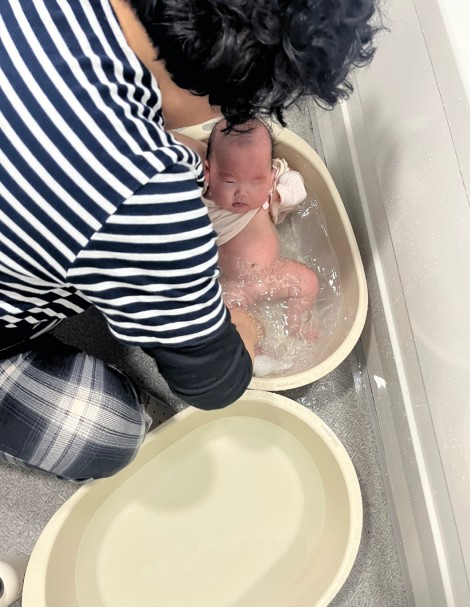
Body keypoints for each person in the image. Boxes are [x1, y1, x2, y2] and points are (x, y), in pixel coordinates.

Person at [0, 0, 378, 481]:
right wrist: (243, 320)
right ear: (244, 91)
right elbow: (215, 383)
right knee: (112, 434)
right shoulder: (146, 198)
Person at [203, 118, 319, 337]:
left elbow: (297, 185)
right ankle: (255, 344)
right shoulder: (204, 203)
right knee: (222, 318)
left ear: (270, 176)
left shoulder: (269, 189)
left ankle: (295, 326)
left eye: (255, 182)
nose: (242, 193)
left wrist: (280, 194)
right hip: (236, 285)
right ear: (208, 172)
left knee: (308, 282)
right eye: (230, 182)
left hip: (274, 272)